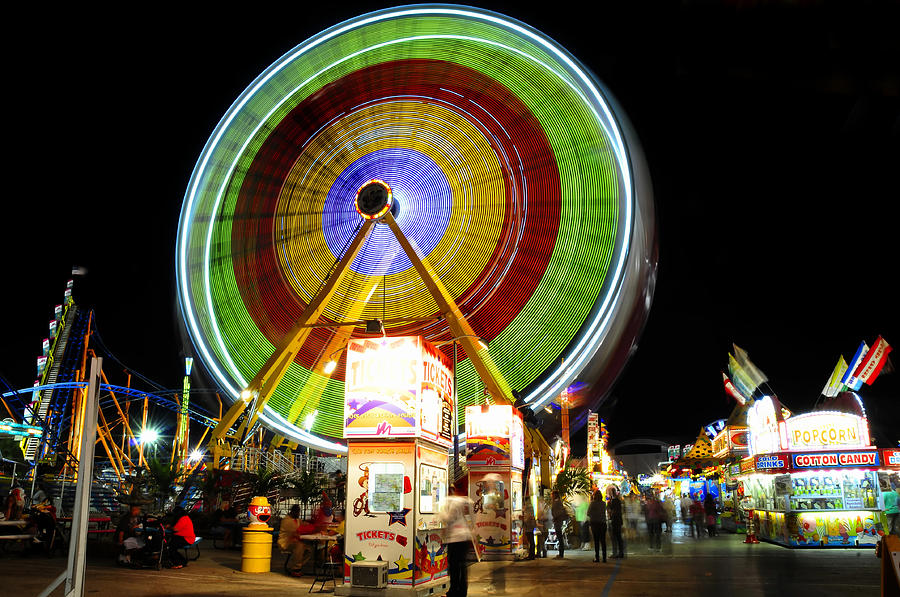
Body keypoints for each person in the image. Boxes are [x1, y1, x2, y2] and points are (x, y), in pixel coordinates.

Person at [438, 486, 473, 597]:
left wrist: (441, 511)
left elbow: (449, 518)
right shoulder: (467, 501)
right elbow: (471, 518)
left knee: (454, 566)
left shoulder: (454, 503)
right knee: (462, 565)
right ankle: (463, 591)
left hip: (455, 538)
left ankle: (453, 591)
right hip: (465, 536)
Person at [279, 504, 317, 577]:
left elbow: (304, 524)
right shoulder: (287, 521)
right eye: (297, 512)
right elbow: (296, 532)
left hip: (295, 541)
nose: (298, 514)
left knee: (310, 549)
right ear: (293, 512)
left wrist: (313, 526)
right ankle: (296, 568)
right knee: (299, 546)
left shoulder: (297, 520)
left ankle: (295, 565)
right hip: (286, 542)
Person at [587, 490, 607, 563]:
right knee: (603, 541)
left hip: (595, 523)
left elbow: (588, 513)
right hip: (603, 523)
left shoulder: (592, 504)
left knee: (596, 541)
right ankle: (604, 558)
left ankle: (597, 557)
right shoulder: (604, 503)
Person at [606, 487, 624, 558]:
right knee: (619, 537)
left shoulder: (612, 502)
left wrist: (610, 512)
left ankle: (615, 552)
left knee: (614, 537)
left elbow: (610, 511)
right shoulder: (618, 501)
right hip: (618, 520)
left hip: (614, 521)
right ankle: (620, 552)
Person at [550, 490, 569, 559]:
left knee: (559, 537)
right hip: (558, 520)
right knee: (559, 536)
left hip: (558, 521)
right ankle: (561, 553)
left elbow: (558, 512)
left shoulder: (557, 502)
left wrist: (555, 517)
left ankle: (561, 554)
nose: (551, 496)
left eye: (552, 495)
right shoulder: (557, 502)